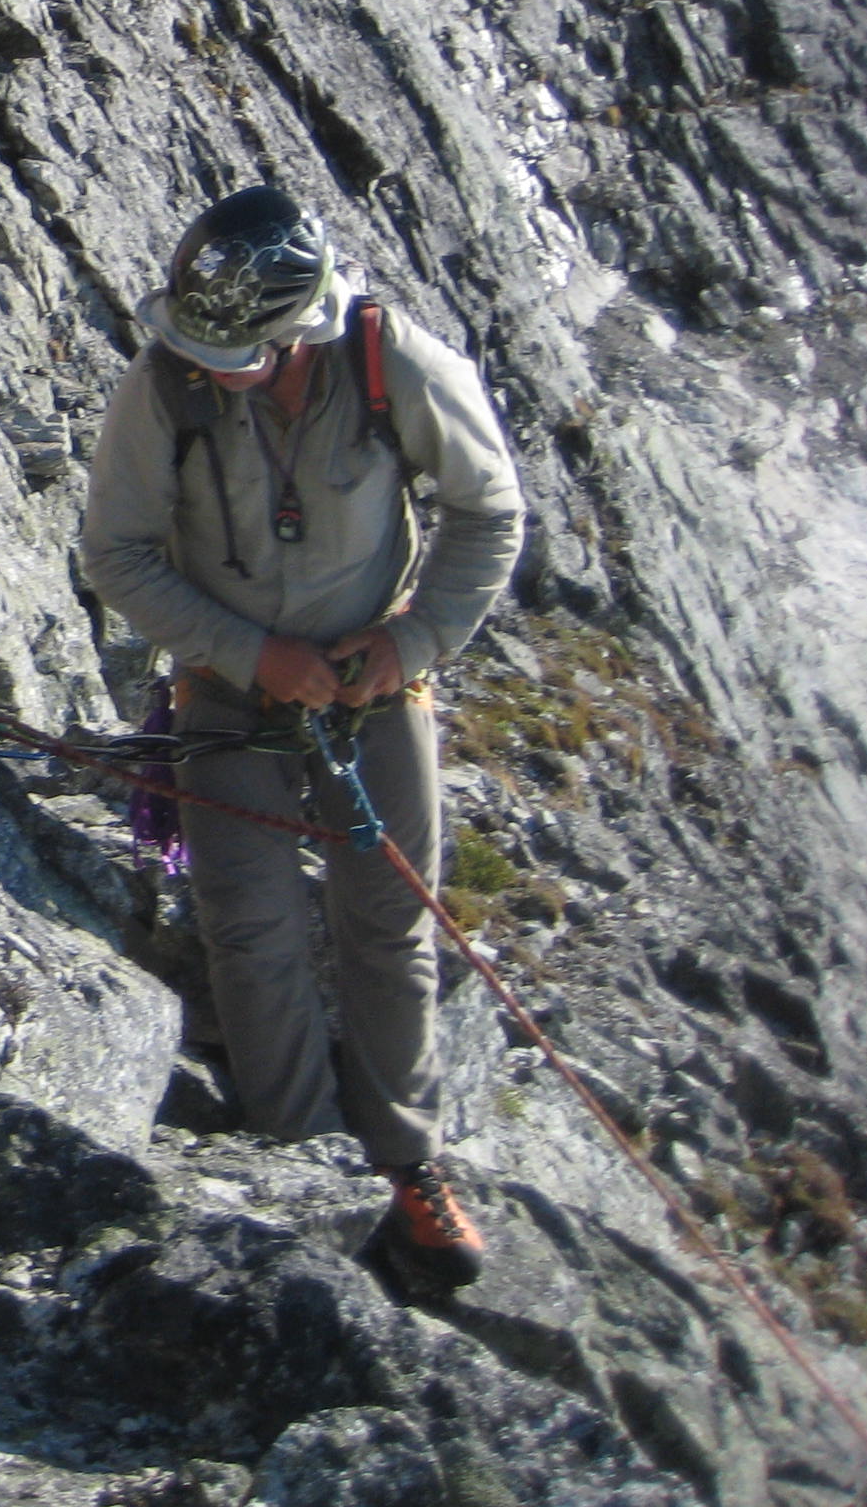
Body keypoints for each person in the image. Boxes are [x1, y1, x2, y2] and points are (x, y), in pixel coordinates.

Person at [79, 186, 525, 1290]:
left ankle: (408, 1164)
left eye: (238, 353)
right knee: (252, 926)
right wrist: (246, 654)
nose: (210, 366)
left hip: (375, 689)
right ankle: (307, 1171)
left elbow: (491, 506)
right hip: (230, 698)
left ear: (298, 333)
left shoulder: (391, 365)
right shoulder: (166, 386)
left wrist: (413, 641)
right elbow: (117, 554)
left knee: (390, 923)